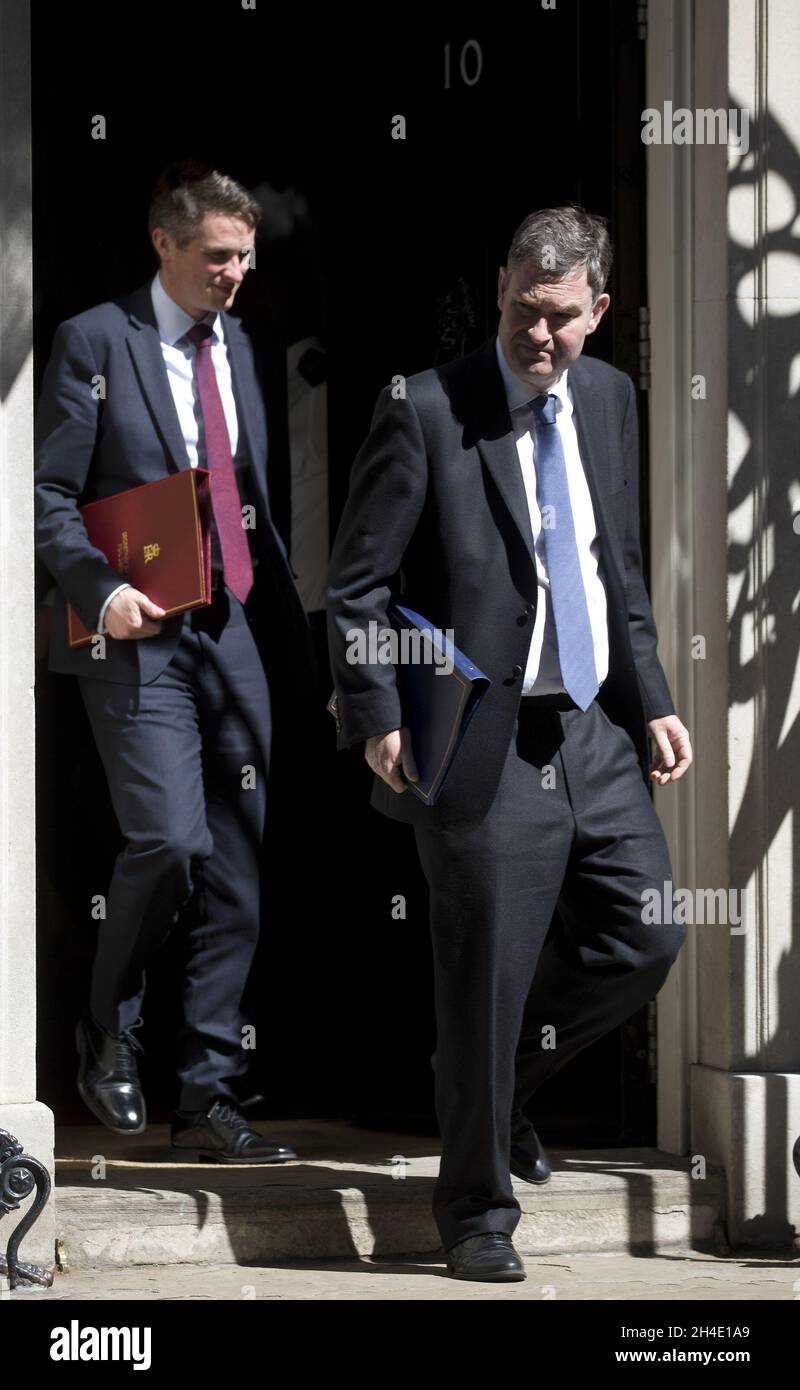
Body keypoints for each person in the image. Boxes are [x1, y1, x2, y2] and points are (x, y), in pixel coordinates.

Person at [326, 205, 693, 1280]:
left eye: (563, 321)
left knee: (646, 935)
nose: (541, 338)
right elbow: (356, 583)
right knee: (481, 977)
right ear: (498, 290)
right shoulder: (427, 408)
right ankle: (477, 1214)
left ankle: (500, 1085)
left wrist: (653, 697)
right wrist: (376, 710)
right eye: (525, 314)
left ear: (600, 311)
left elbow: (612, 569)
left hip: (589, 727)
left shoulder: (613, 399)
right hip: (476, 735)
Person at [34, 163, 316, 1164]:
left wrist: (305, 649)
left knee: (236, 870)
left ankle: (207, 1096)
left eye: (243, 256)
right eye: (214, 256)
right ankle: (107, 1017)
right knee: (172, 840)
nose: (232, 273)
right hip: (135, 622)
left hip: (230, 625)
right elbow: (50, 492)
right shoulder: (95, 340)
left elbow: (257, 510)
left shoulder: (241, 343)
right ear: (163, 244)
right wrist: (95, 588)